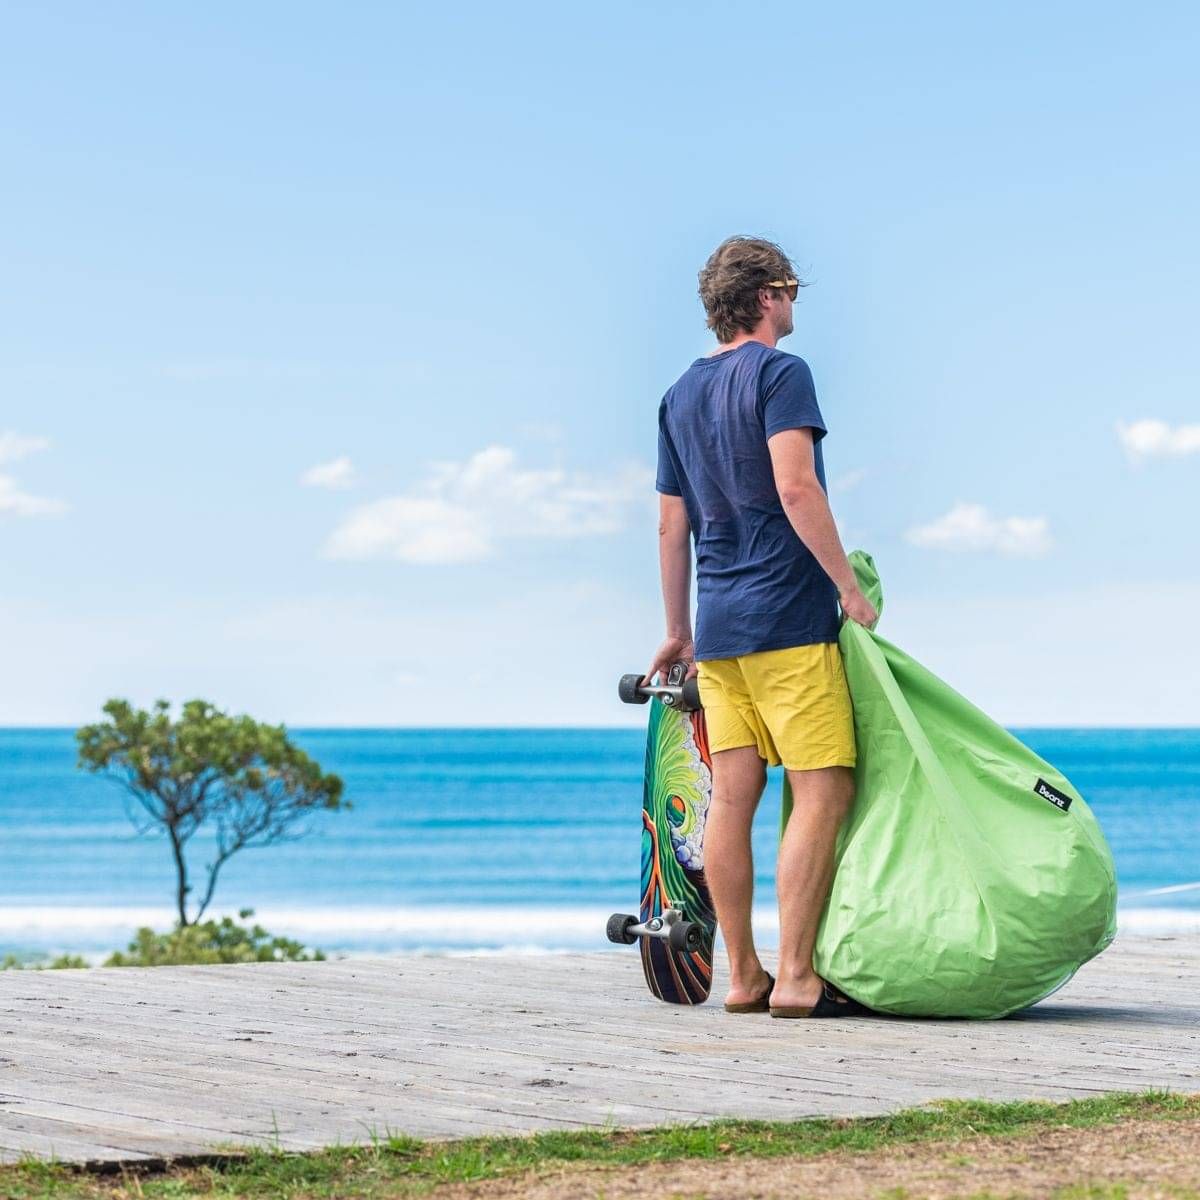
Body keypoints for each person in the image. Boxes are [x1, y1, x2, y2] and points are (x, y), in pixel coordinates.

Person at [644, 235, 878, 1018]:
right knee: (824, 789)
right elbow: (796, 487)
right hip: (787, 624)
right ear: (768, 295)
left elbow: (670, 525)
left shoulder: (678, 395)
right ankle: (799, 977)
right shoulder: (782, 374)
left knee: (733, 800)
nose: (794, 303)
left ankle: (744, 976)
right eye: (791, 290)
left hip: (719, 635)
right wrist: (847, 588)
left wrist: (678, 629)